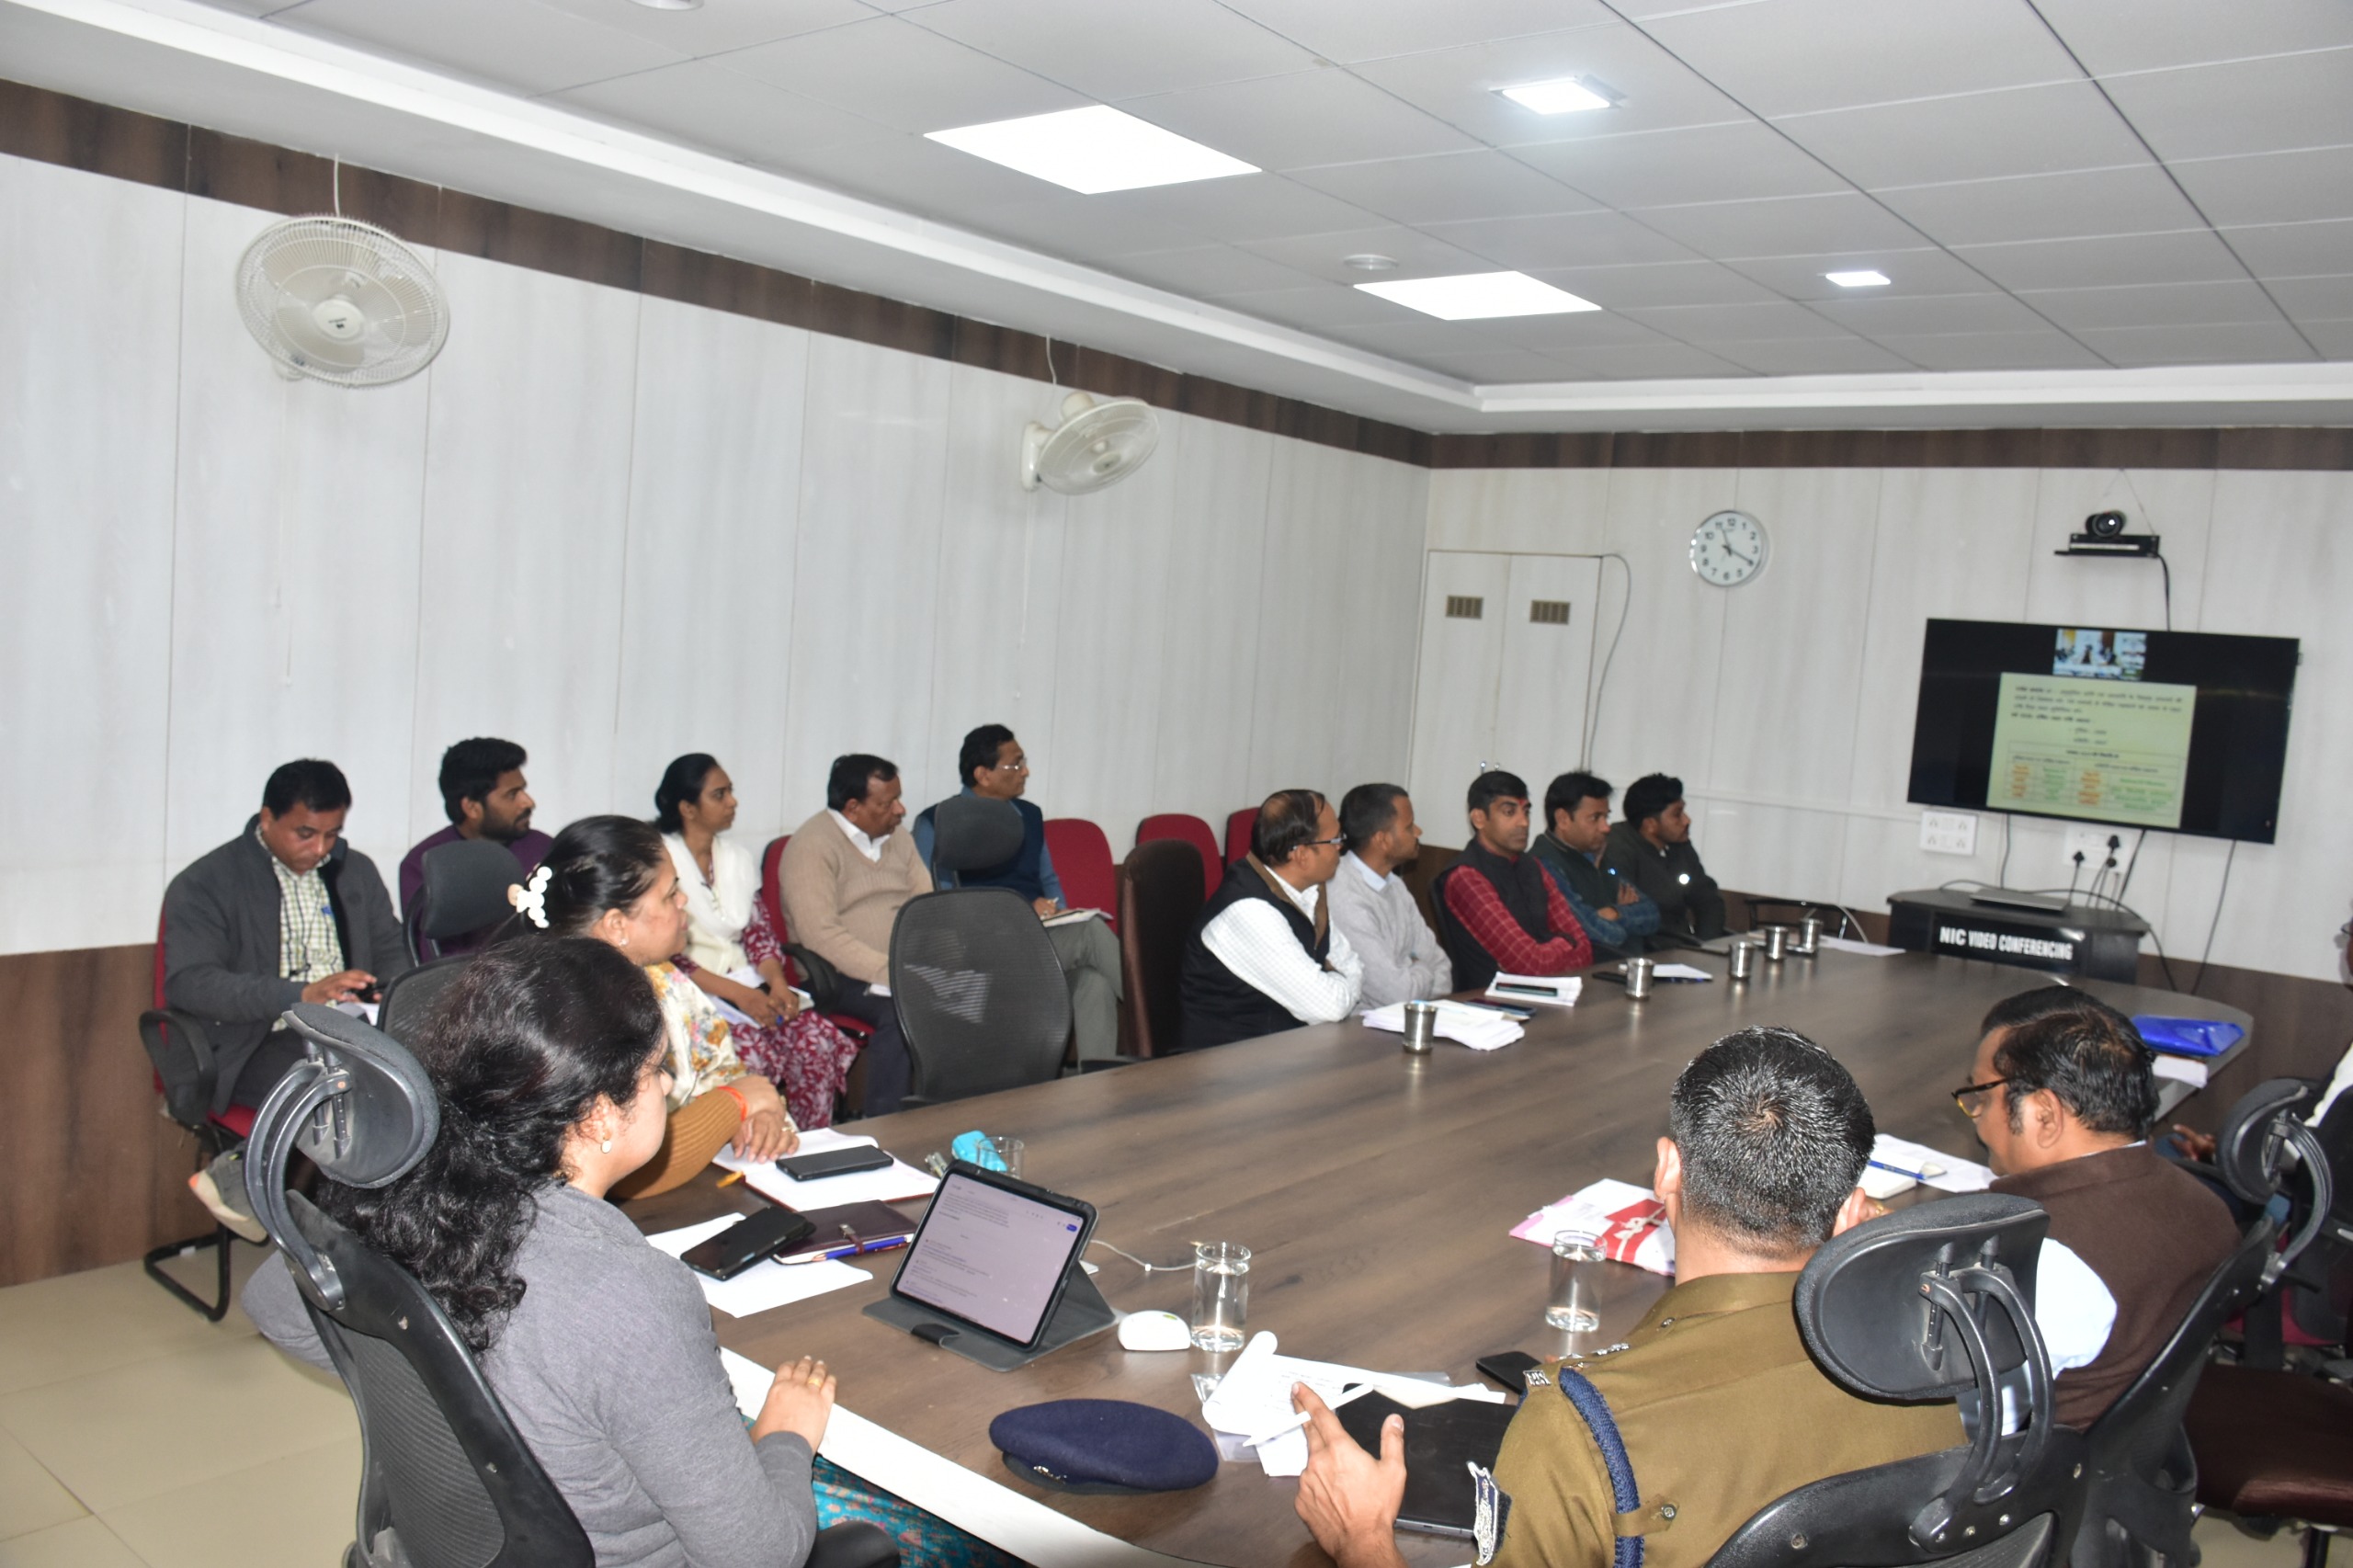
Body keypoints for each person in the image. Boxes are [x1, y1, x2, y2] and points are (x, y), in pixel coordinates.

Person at [242, 938, 1005, 1568]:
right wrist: (785, 1435)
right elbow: (760, 1554)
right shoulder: (626, 1294)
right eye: (656, 1070)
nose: (669, 1086)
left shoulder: (412, 1207)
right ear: (601, 1115)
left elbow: (275, 1303)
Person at [1291, 1027, 1962, 1568]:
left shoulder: (1582, 1429)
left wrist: (1362, 1538)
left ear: (1667, 1169)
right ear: (1852, 1212)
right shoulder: (1932, 1377)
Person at [1963, 986, 2238, 1429]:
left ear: (2045, 1115)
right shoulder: (2207, 1205)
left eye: (1982, 1096)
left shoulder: (2047, 1262)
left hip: (2041, 1467)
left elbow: (1966, 1421)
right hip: (2145, 1447)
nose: (1977, 1117)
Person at [164, 758, 410, 1242]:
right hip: (254, 1039)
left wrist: (385, 986)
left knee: (421, 1073)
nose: (320, 849)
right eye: (305, 834)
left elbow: (391, 946)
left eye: (332, 835)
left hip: (348, 1032)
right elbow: (191, 983)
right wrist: (299, 995)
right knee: (350, 1087)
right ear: (266, 818)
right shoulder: (207, 882)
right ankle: (256, 1185)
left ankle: (257, 1182)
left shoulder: (354, 871)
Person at [524, 815, 795, 1199]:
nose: (683, 901)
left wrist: (762, 1115)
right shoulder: (572, 1014)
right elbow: (617, 1173)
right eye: (669, 894)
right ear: (617, 925)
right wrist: (736, 1103)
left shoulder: (664, 977)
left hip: (692, 1185)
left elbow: (722, 1071)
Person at [655, 755, 862, 1129]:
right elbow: (667, 956)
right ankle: (747, 1147)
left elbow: (758, 934)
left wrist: (778, 984)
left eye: (730, 791)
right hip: (694, 992)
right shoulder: (660, 861)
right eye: (719, 795)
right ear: (687, 808)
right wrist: (741, 996)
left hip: (749, 985)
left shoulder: (735, 858)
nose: (732, 802)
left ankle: (811, 1141)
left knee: (815, 1041)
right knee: (750, 1056)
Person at [910, 724, 1126, 1062]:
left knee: (1093, 982)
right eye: (1016, 764)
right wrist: (1023, 909)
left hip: (1036, 939)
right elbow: (942, 906)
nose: (1026, 771)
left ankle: (1097, 1082)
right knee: (1090, 933)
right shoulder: (937, 823)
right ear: (983, 774)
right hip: (980, 948)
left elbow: (1048, 880)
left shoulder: (1029, 815)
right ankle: (1166, 1016)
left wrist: (1060, 912)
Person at [778, 756, 923, 1116]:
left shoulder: (898, 837)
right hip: (838, 977)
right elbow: (821, 936)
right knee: (903, 1012)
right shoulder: (812, 845)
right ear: (853, 808)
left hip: (903, 967)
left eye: (898, 798)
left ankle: (957, 1110)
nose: (900, 810)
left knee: (975, 990)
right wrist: (892, 972)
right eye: (887, 803)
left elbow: (926, 905)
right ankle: (884, 1125)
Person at [1177, 790, 1364, 1051]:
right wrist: (1337, 977)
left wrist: (1336, 980)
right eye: (1335, 839)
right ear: (1301, 854)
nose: (1341, 847)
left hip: (1283, 1055)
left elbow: (1354, 966)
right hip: (1229, 1065)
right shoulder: (1249, 911)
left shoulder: (1306, 892)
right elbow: (1330, 1007)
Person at [1436, 770, 1592, 993]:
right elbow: (1531, 966)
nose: (1524, 822)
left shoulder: (1533, 866)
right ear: (1479, 818)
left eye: (1526, 812)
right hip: (1489, 1002)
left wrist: (1548, 950)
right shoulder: (1466, 877)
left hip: (1546, 993)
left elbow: (1585, 950)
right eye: (1509, 812)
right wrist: (1565, 944)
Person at [397, 737, 555, 954]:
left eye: (523, 790)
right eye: (512, 795)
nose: (528, 802)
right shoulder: (425, 864)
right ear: (472, 808)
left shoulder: (544, 849)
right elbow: (430, 956)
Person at [1324, 783, 1451, 1008]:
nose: (1418, 832)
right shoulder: (1343, 893)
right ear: (1382, 840)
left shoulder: (1395, 885)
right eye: (1409, 827)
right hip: (1361, 1026)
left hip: (1409, 1016)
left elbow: (1442, 968)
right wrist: (1420, 966)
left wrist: (1414, 972)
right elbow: (1396, 995)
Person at [1529, 771, 1661, 959]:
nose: (1606, 827)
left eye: (1606, 817)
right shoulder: (1545, 864)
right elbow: (1601, 934)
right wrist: (1626, 919)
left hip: (1625, 964)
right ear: (1563, 819)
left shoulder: (1597, 858)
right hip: (1589, 970)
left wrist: (1615, 912)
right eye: (1595, 818)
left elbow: (1652, 914)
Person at [1603, 774, 1726, 945]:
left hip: (1682, 946)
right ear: (1650, 825)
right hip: (1646, 949)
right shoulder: (1617, 848)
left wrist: (1706, 945)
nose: (1686, 820)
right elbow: (1632, 911)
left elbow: (1708, 901)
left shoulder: (1680, 845)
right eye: (1677, 814)